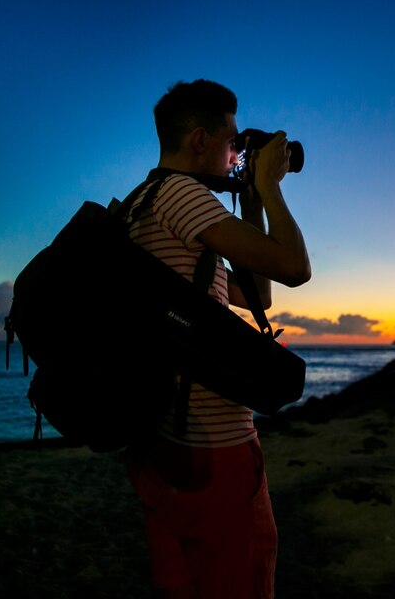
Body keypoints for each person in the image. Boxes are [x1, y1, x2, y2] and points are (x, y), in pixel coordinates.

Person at [123, 79, 311, 598]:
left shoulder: (146, 200)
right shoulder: (183, 195)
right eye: (232, 143)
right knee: (242, 579)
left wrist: (251, 200)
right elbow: (296, 268)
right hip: (215, 446)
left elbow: (261, 298)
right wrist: (270, 188)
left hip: (160, 440)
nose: (237, 155)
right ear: (200, 141)